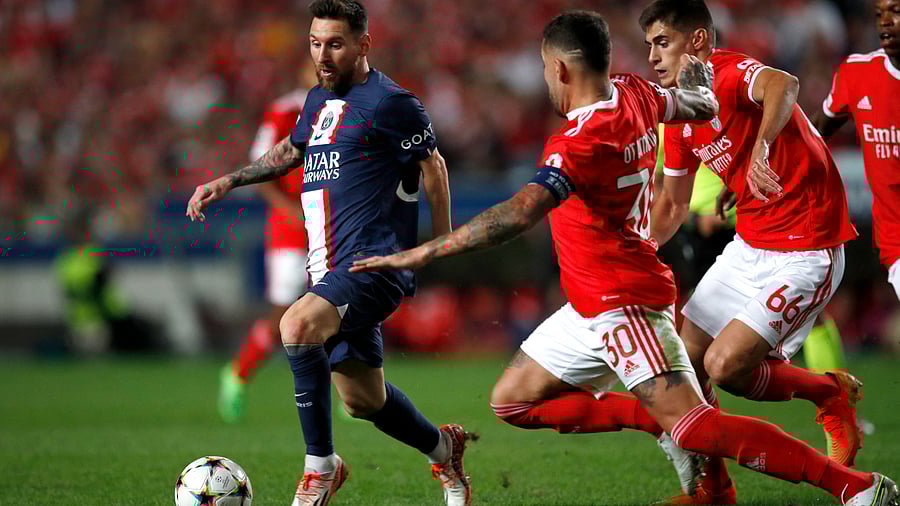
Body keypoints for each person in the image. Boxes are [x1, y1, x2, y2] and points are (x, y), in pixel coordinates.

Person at [350, 10, 898, 506]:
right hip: (594, 299)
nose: (544, 80)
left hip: (623, 303)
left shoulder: (578, 141)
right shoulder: (636, 93)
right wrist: (699, 76)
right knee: (514, 401)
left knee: (698, 422)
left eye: (545, 68)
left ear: (560, 70)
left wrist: (423, 251)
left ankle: (852, 487)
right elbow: (698, 106)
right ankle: (672, 436)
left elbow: (517, 215)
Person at [187, 1, 470, 504]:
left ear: (364, 45)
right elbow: (291, 152)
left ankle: (321, 467)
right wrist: (227, 180)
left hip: (374, 263)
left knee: (294, 326)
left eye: (335, 44)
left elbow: (436, 168)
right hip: (327, 268)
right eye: (316, 43)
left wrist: (437, 245)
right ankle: (442, 449)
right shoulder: (317, 100)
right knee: (364, 401)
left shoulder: (391, 103)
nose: (323, 54)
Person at [642, 0, 867, 500]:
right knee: (687, 370)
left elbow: (783, 85)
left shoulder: (724, 73)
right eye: (648, 46)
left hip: (809, 244)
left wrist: (762, 147)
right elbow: (674, 201)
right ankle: (714, 491)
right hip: (750, 244)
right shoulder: (676, 114)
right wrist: (634, 251)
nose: (653, 56)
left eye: (663, 42)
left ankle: (829, 394)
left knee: (726, 367)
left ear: (697, 41)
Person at [218, 67, 316, 424]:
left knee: (342, 309)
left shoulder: (349, 107)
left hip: (332, 225)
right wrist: (288, 208)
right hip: (291, 228)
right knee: (283, 318)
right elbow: (261, 166)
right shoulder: (285, 110)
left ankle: (351, 398)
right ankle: (238, 373)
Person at [812, 0, 900, 303]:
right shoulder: (857, 74)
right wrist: (761, 165)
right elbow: (815, 133)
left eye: (896, 12)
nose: (885, 22)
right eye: (879, 14)